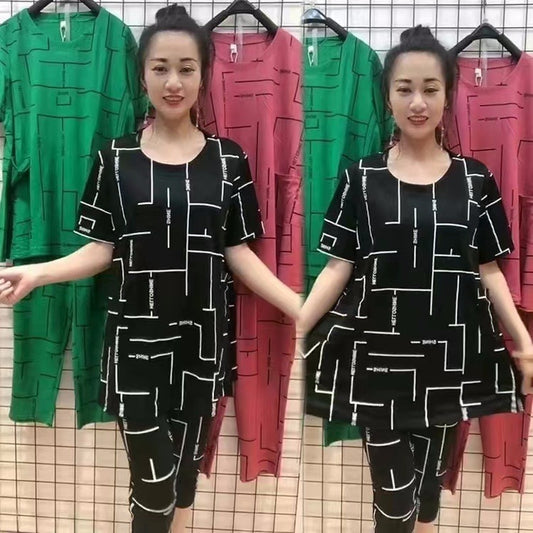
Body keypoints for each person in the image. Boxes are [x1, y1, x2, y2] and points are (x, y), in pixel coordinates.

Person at [0, 5, 301, 533]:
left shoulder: (229, 161)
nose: (173, 82)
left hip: (202, 349)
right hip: (135, 352)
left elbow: (237, 253)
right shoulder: (115, 159)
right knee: (155, 486)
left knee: (181, 485)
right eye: (160, 68)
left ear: (204, 75)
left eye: (186, 68)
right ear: (142, 76)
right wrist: (38, 273)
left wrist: (302, 305)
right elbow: (101, 250)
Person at [299, 26, 533, 532]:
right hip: (377, 366)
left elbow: (489, 269)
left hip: (448, 364)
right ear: (387, 96)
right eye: (404, 88)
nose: (418, 102)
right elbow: (339, 266)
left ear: (448, 95)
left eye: (430, 88)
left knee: (427, 498)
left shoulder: (476, 181)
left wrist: (522, 339)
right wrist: (297, 327)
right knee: (395, 504)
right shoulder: (361, 178)